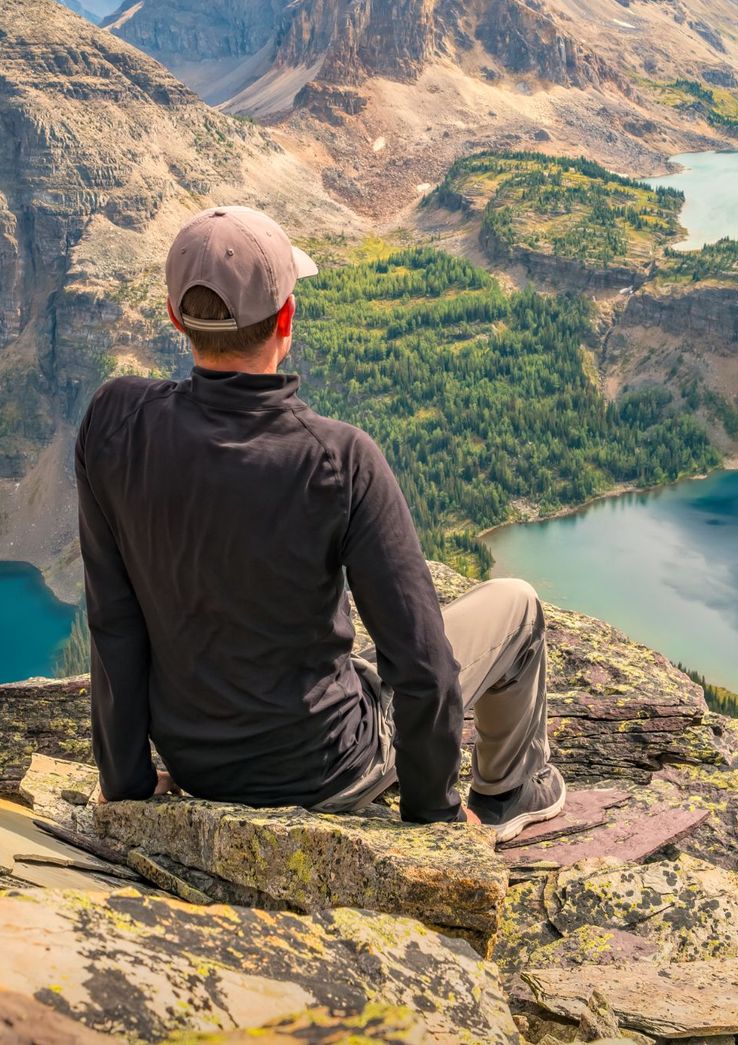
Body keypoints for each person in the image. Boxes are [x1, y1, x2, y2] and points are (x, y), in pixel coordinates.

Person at [74, 205, 567, 838]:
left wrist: (128, 788)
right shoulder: (338, 457)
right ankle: (508, 792)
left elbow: (113, 622)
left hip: (197, 763)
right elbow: (422, 666)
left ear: (176, 319)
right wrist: (434, 820)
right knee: (517, 604)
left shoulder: (114, 420)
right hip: (328, 770)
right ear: (286, 320)